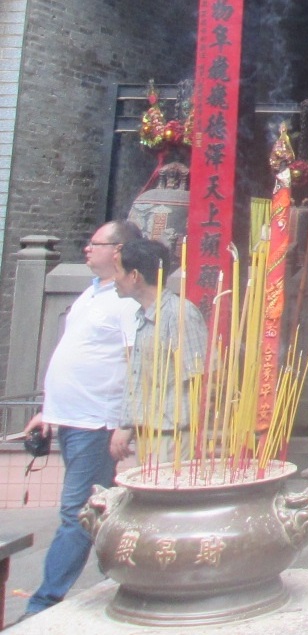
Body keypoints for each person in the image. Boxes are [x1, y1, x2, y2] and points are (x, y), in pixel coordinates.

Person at [20, 221, 143, 618]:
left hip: (96, 422)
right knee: (102, 508)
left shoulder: (127, 302)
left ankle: (44, 602)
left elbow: (135, 363)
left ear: (120, 250)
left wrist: (126, 422)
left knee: (79, 512)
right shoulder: (91, 294)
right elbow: (75, 356)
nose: (87, 249)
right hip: (70, 417)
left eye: (96, 244)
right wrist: (47, 411)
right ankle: (125, 578)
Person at [109, 238, 208, 463]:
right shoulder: (144, 316)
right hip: (148, 432)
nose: (113, 279)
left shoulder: (178, 313)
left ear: (135, 276)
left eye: (117, 271)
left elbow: (199, 377)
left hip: (172, 435)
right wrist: (129, 423)